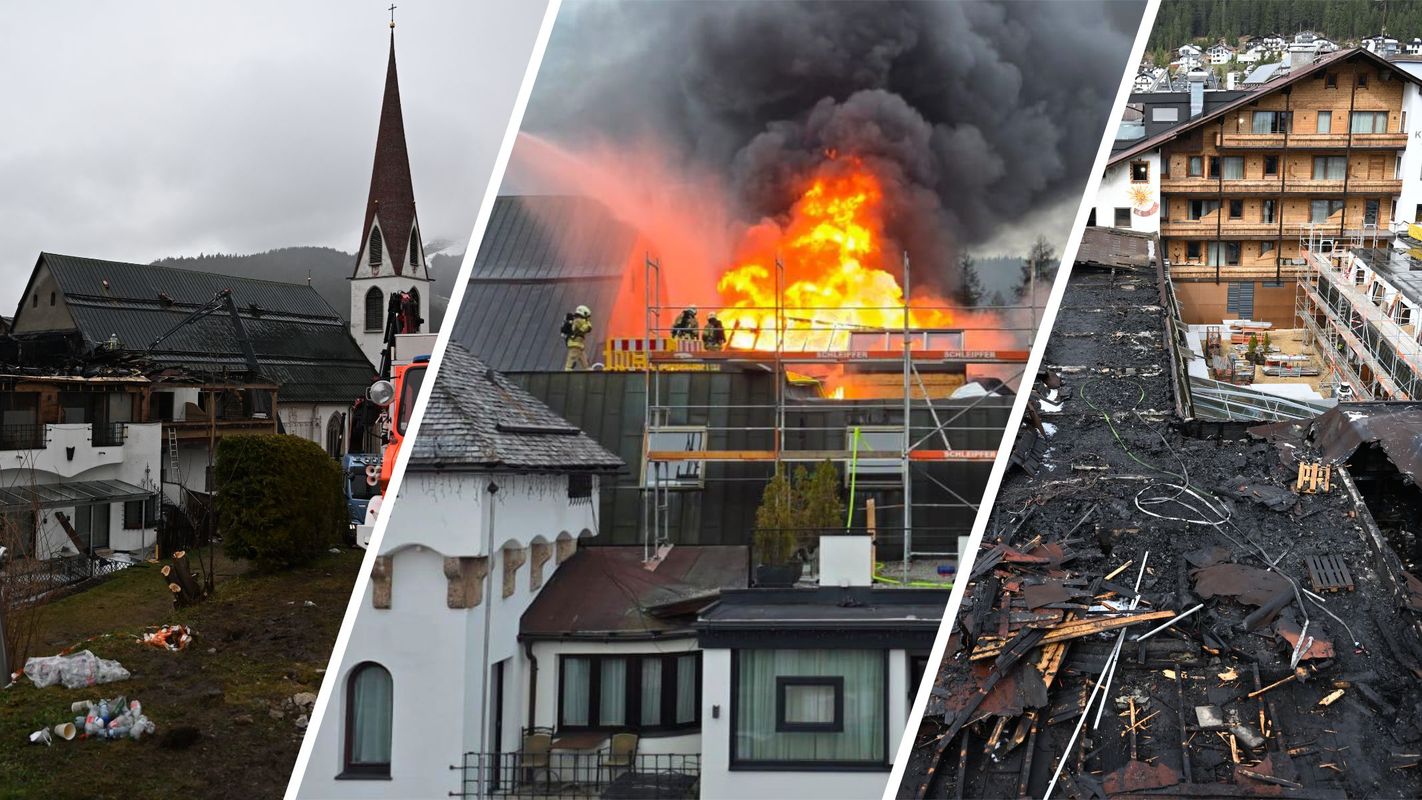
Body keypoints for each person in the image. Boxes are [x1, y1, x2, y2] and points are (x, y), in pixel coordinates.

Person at [563, 305, 593, 370]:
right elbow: (584, 329)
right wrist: (588, 323)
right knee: (570, 364)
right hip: (575, 344)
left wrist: (587, 323)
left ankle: (589, 372)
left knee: (586, 363)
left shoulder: (580, 321)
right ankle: (567, 376)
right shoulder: (578, 321)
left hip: (579, 345)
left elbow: (588, 328)